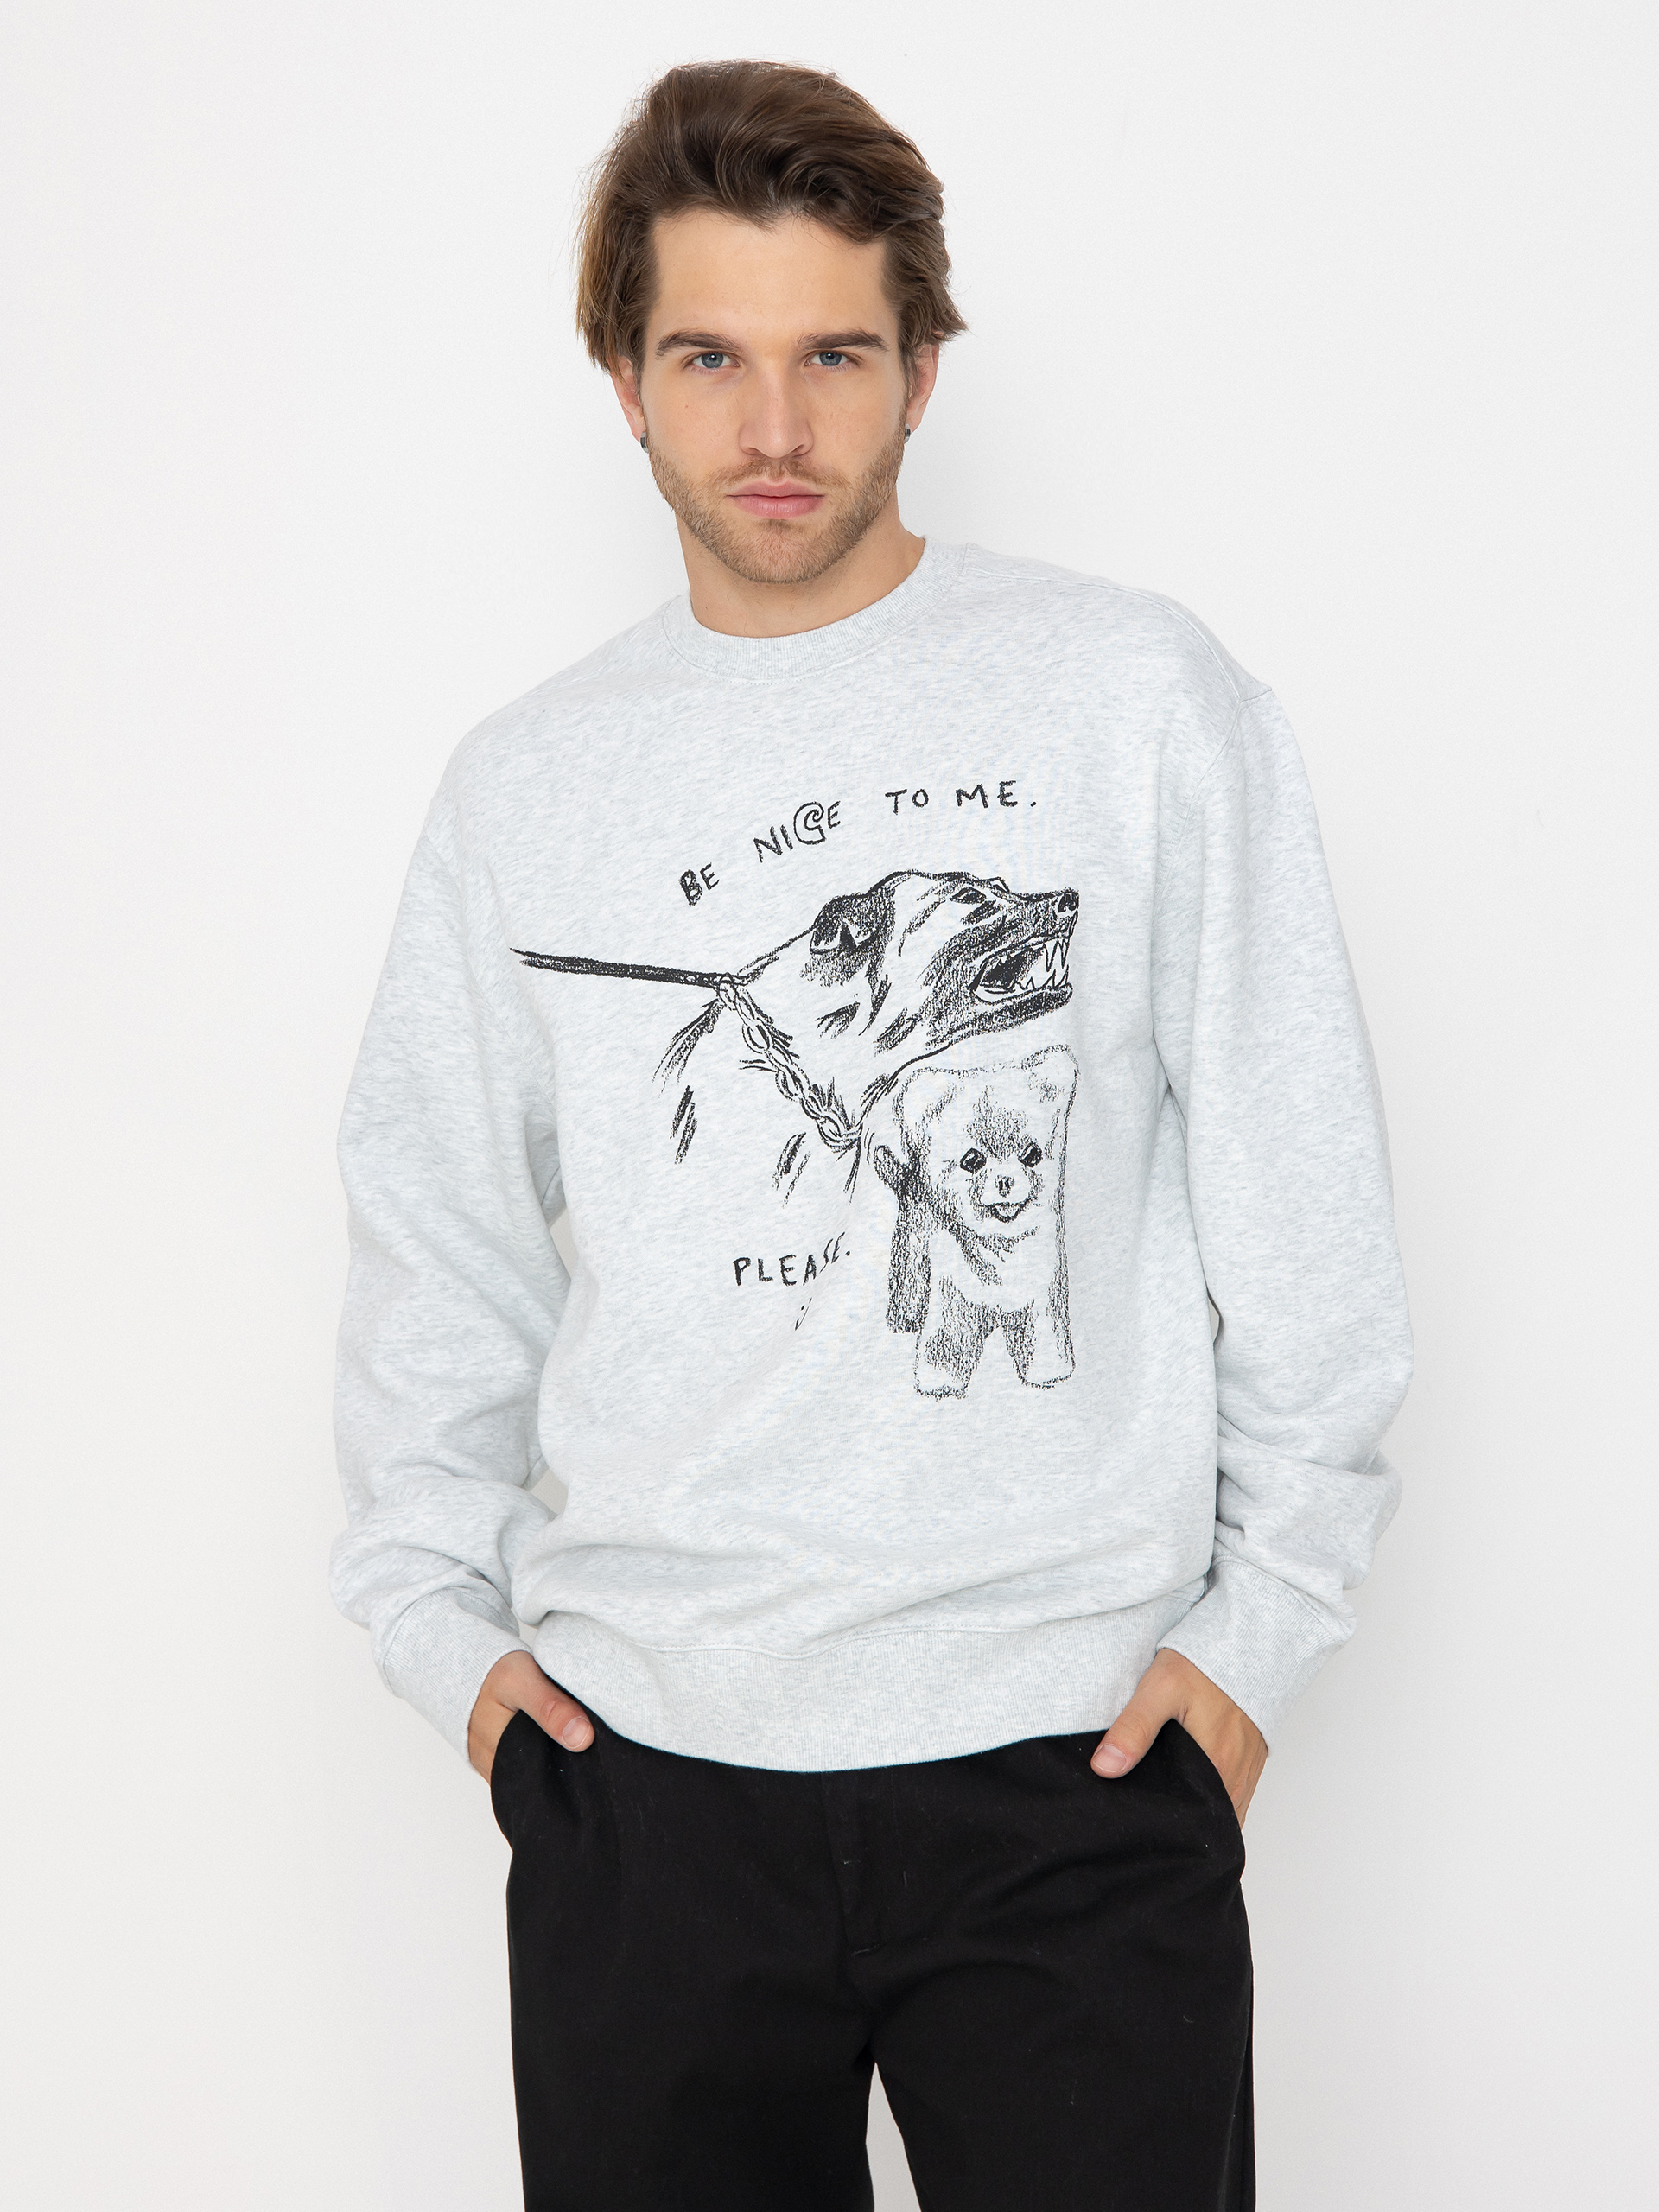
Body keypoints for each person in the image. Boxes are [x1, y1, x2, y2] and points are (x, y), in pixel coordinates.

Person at [331, 58, 1412, 2212]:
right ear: (623, 380)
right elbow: (437, 1231)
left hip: (1073, 1765)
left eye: (833, 354)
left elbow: (1303, 1191)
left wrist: (1259, 1635)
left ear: (923, 367)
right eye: (707, 357)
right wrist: (451, 1641)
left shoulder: (1137, 697)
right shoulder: (527, 784)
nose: (773, 425)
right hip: (648, 1782)